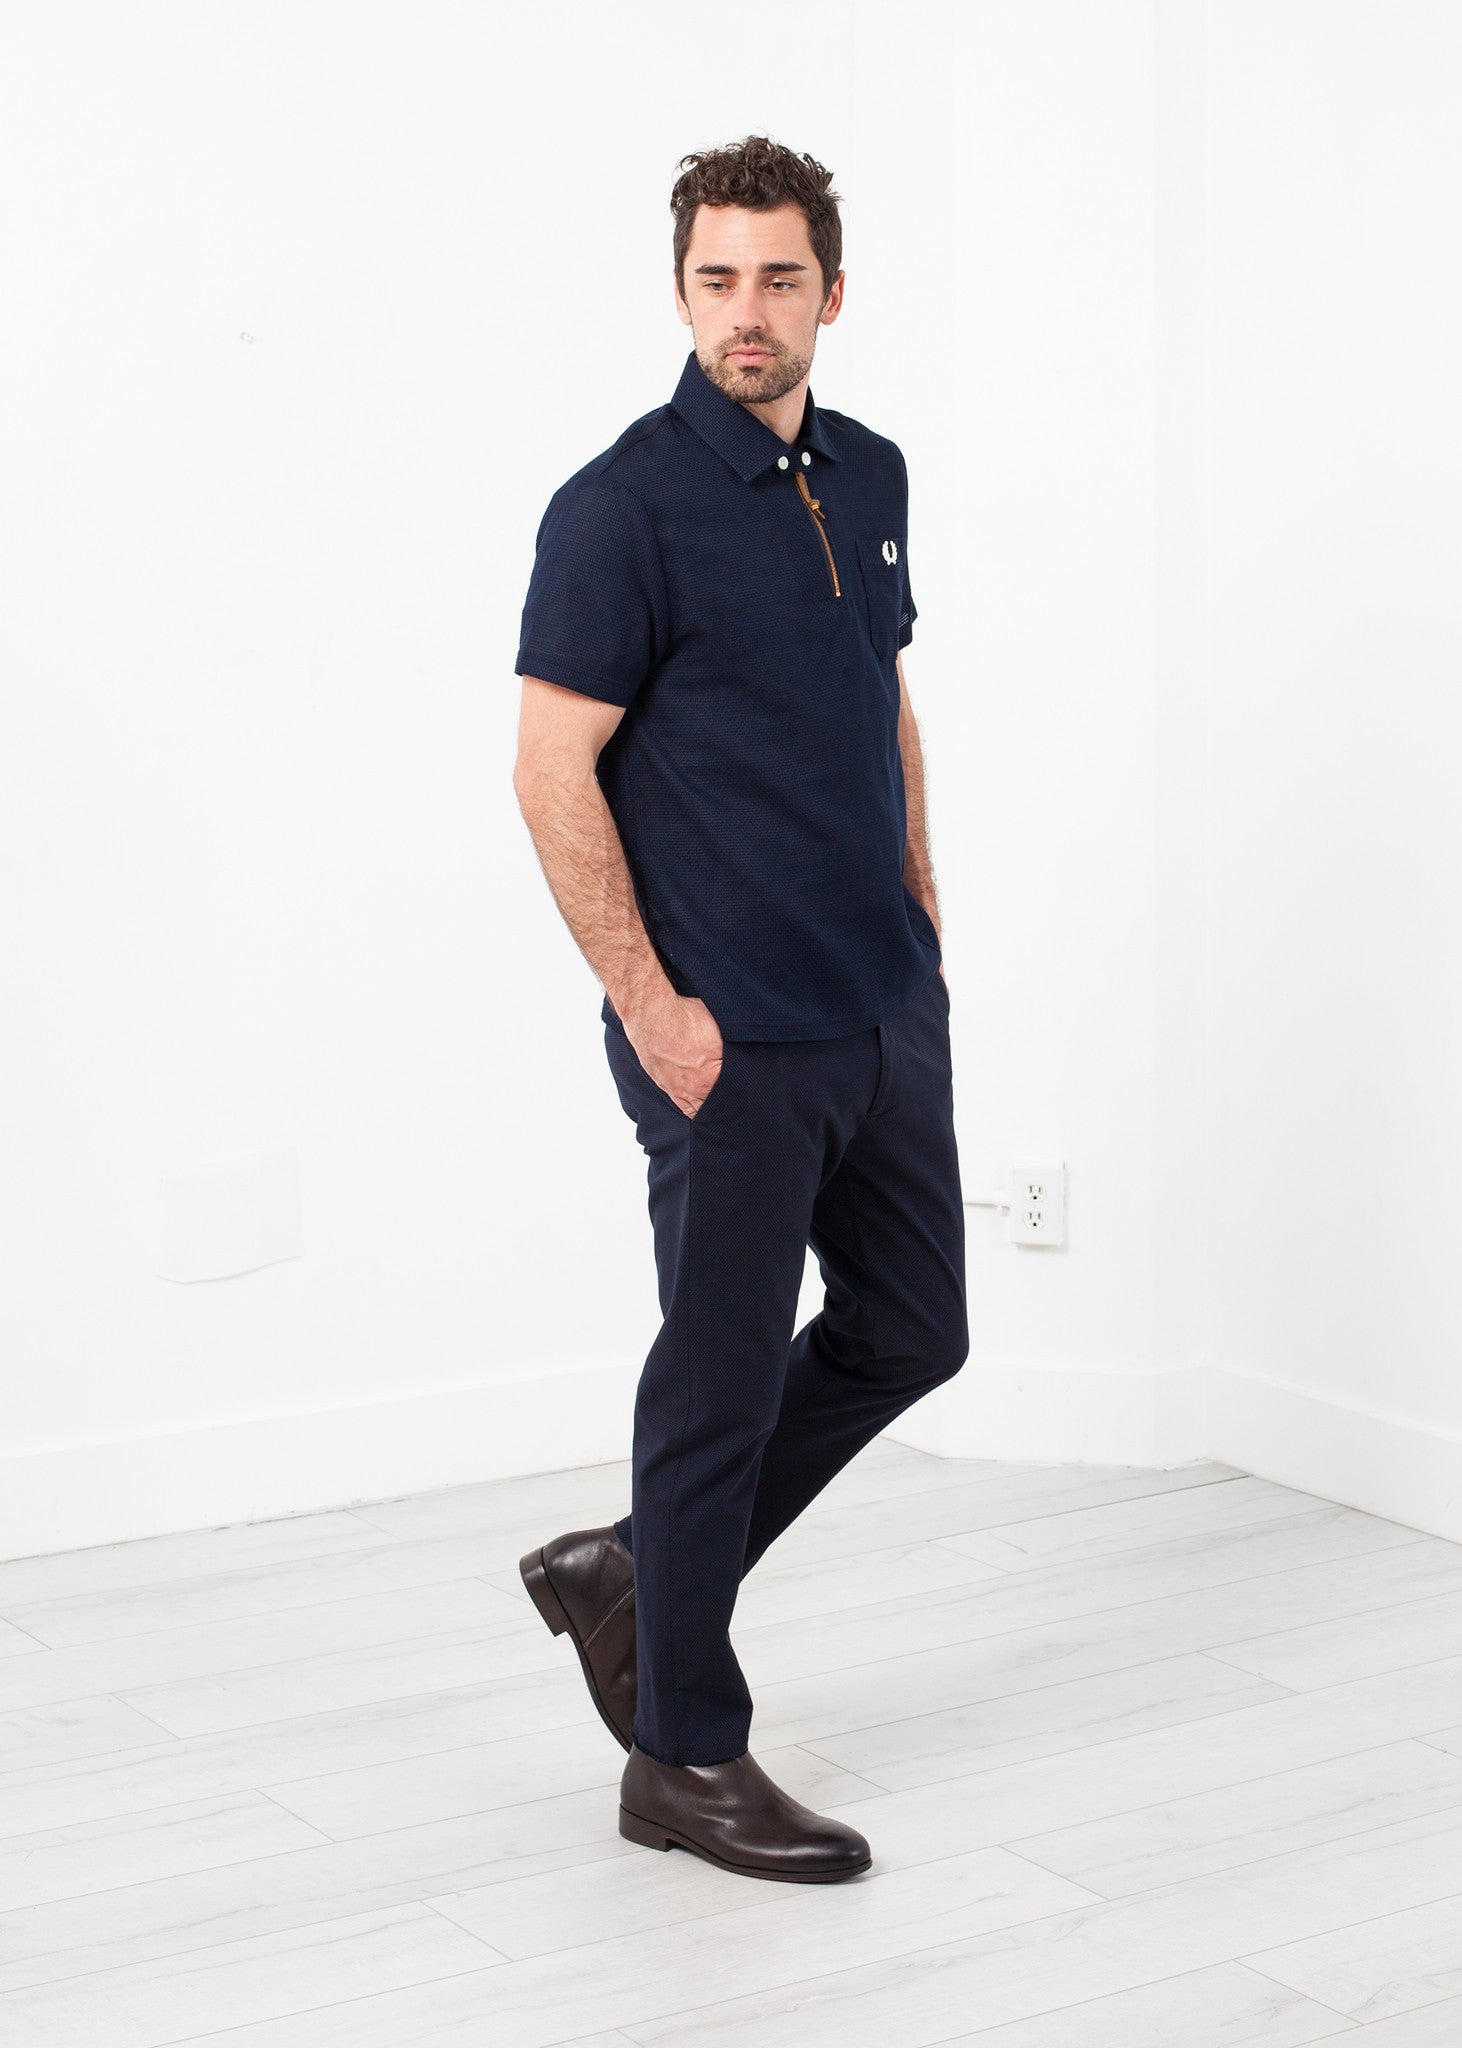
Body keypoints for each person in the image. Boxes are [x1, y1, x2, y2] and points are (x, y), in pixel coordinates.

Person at [512, 134, 968, 1885]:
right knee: (711, 1387)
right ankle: (683, 1757)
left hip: (878, 1002)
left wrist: (919, 892)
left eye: (779, 278)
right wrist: (649, 1005)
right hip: (723, 1031)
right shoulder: (617, 509)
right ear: (679, 291)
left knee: (912, 1329)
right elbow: (551, 771)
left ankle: (635, 1570)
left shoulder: (869, 471)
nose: (746, 312)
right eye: (717, 279)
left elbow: (881, 690)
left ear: (831, 293)